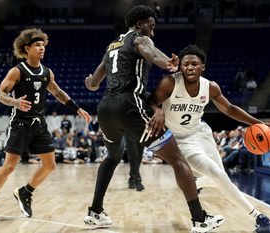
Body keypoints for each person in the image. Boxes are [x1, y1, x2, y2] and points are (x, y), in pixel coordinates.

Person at [84, 5, 223, 232]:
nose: (153, 32)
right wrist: (167, 62)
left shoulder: (112, 47)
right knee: (178, 159)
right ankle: (200, 219)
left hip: (105, 108)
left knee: (113, 156)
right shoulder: (140, 38)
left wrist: (89, 81)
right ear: (140, 24)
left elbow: (93, 84)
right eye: (152, 26)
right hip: (129, 105)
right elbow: (151, 51)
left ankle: (95, 212)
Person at [148, 44, 270, 233]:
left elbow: (229, 109)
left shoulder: (210, 87)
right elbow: (149, 102)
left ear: (202, 67)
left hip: (201, 133)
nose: (190, 67)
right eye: (186, 64)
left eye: (194, 64)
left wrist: (256, 123)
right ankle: (259, 217)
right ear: (180, 67)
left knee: (219, 177)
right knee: (217, 174)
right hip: (180, 140)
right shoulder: (169, 83)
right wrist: (157, 110)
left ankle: (193, 183)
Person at [0, 28, 90, 222]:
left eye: (43, 45)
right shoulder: (17, 71)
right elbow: (0, 94)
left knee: (50, 165)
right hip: (20, 124)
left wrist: (77, 108)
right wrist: (15, 102)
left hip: (39, 124)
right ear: (27, 48)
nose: (41, 48)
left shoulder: (47, 72)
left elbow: (57, 92)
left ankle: (25, 191)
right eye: (37, 45)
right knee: (9, 167)